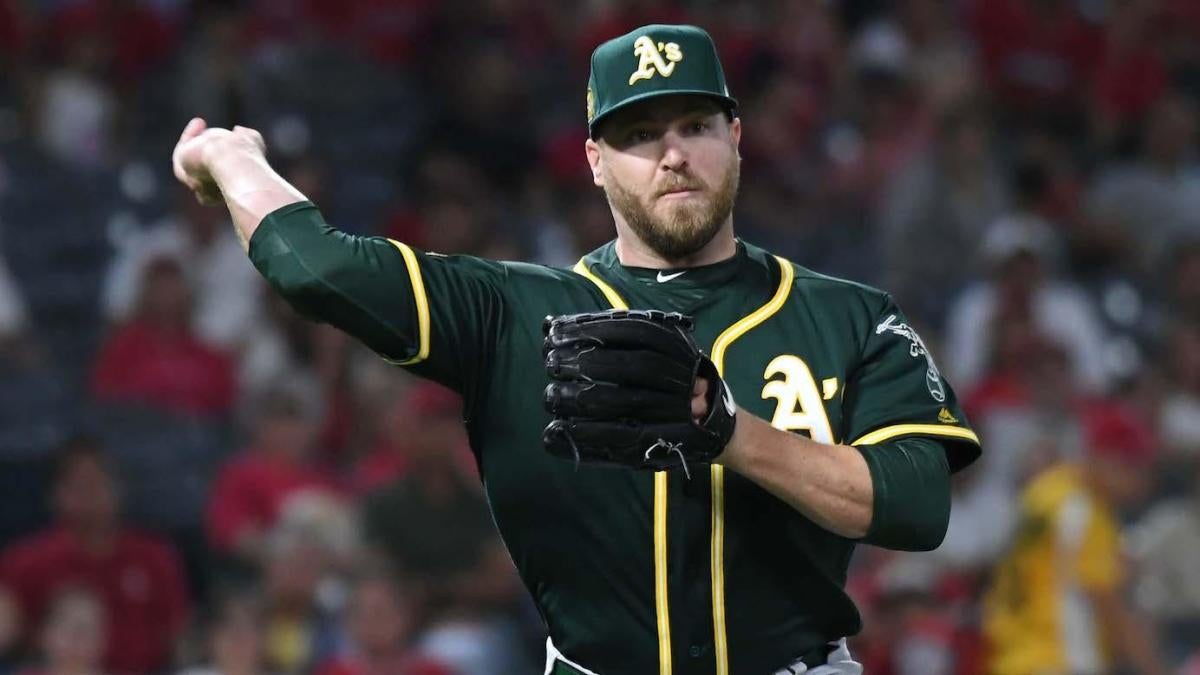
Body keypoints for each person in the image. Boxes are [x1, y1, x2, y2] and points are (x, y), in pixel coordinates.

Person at [172, 24, 981, 674]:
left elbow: (917, 504)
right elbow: (319, 269)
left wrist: (730, 432)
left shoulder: (846, 314)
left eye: (695, 125)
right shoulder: (512, 311)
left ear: (736, 136)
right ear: (594, 161)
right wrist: (233, 159)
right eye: (638, 133)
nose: (673, 153)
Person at [983, 407, 1169, 675]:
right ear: (1104, 457)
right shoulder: (1087, 512)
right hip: (1058, 659)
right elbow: (1110, 609)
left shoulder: (1046, 488)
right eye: (1132, 467)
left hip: (1011, 658)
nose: (1141, 481)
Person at [0, 439, 189, 675]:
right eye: (79, 485)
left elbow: (180, 638)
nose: (90, 495)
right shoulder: (26, 561)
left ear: (117, 488)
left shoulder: (153, 556)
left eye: (97, 483)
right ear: (58, 494)